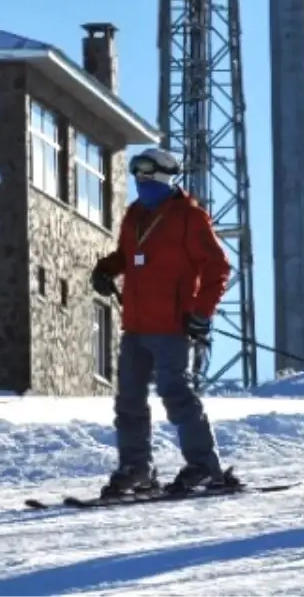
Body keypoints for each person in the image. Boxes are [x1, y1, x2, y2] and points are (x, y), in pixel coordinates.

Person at [90, 147, 236, 497]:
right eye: (136, 174)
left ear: (164, 175)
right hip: (137, 326)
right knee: (128, 401)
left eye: (146, 173)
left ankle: (204, 465)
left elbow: (218, 267)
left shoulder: (189, 217)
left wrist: (202, 313)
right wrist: (106, 269)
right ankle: (136, 468)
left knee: (176, 394)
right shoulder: (135, 215)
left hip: (172, 326)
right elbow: (128, 256)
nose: (141, 180)